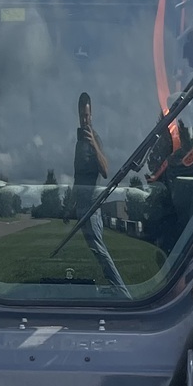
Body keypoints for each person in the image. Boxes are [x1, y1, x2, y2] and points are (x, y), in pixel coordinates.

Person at [71, 93, 128, 295]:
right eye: (81, 116)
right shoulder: (78, 143)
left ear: (92, 115)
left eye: (87, 116)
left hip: (93, 205)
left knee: (99, 248)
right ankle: (114, 287)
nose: (84, 120)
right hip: (81, 203)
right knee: (95, 249)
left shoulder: (95, 138)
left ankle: (120, 288)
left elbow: (105, 171)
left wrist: (94, 144)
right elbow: (77, 176)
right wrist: (71, 203)